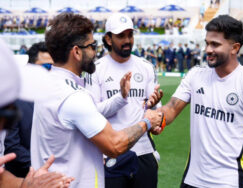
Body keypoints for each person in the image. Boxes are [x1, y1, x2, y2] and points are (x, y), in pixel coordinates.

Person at [30, 13, 163, 188]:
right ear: (77, 52)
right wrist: (147, 121)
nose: (95, 51)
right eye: (92, 46)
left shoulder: (49, 85)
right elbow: (115, 145)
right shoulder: (74, 96)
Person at [153, 15, 243, 188]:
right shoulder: (196, 75)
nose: (208, 49)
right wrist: (154, 115)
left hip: (230, 182)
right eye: (207, 43)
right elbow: (170, 110)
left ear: (235, 48)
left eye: (215, 44)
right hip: (192, 179)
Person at [85, 13, 163, 188]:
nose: (127, 40)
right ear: (109, 39)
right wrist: (121, 97)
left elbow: (158, 115)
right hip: (110, 153)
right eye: (121, 36)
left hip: (144, 152)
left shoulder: (146, 67)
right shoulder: (95, 69)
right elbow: (92, 113)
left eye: (130, 35)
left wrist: (157, 114)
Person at [0, 39, 73, 187]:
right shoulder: (19, 100)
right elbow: (12, 144)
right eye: (7, 113)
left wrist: (31, 184)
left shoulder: (55, 96)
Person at [4, 41, 54, 178]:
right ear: (30, 68)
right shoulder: (13, 100)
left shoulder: (57, 97)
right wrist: (40, 169)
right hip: (22, 177)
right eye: (46, 66)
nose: (50, 71)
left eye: (53, 67)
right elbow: (12, 145)